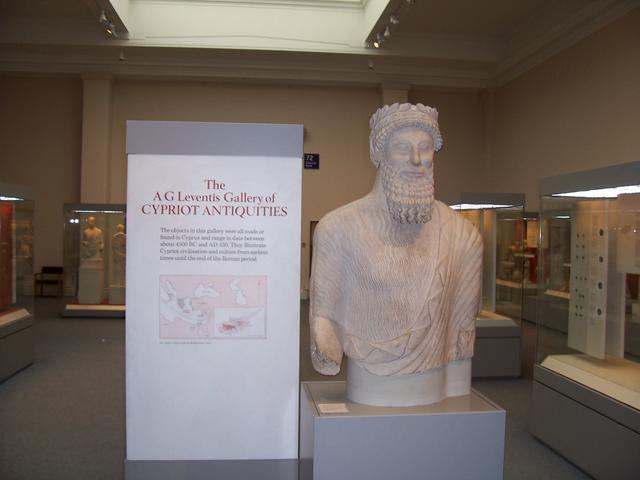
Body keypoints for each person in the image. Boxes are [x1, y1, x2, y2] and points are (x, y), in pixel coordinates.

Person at [309, 103, 482, 406]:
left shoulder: (462, 236)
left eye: (425, 148)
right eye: (402, 148)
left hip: (436, 388)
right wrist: (325, 339)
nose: (416, 160)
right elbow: (324, 319)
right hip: (367, 386)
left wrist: (457, 387)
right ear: (378, 153)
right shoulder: (337, 228)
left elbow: (461, 341)